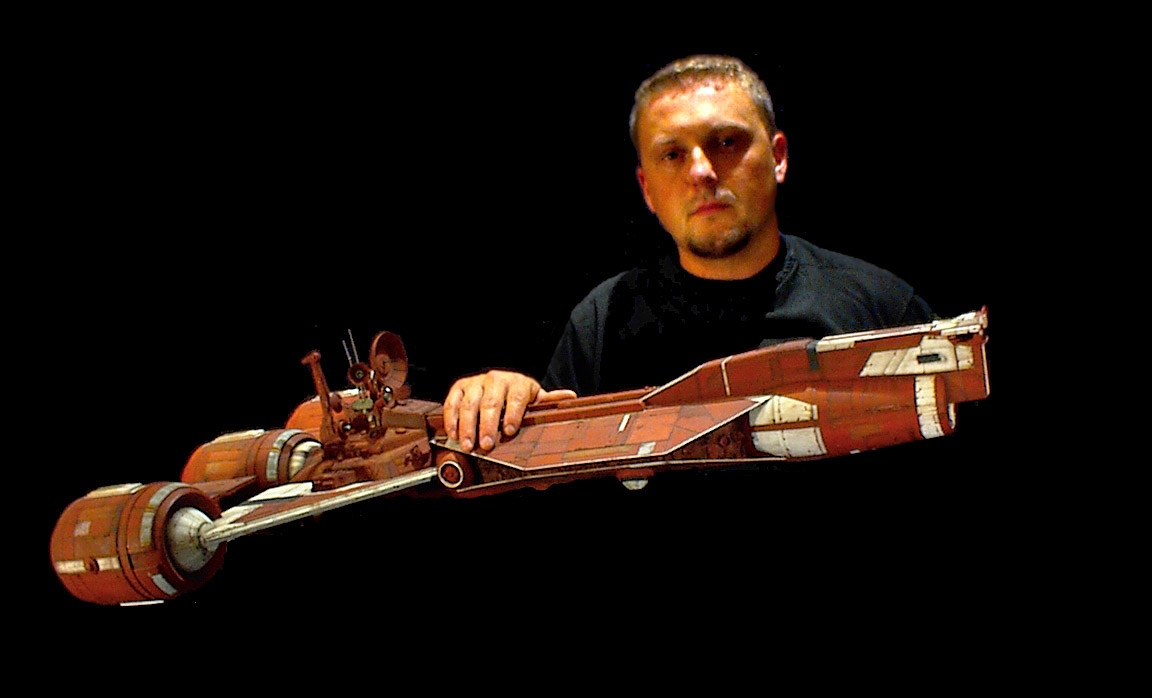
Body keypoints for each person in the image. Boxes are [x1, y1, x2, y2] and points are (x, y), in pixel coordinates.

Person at [443, 55, 933, 454]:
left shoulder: (883, 310)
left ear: (778, 157)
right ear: (646, 189)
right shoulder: (602, 323)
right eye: (672, 154)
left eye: (726, 142)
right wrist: (510, 410)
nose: (701, 171)